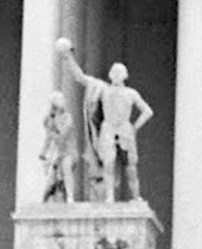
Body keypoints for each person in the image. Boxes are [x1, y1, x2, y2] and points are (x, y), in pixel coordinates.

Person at [55, 38, 153, 202]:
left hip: (125, 130)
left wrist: (135, 127)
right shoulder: (103, 89)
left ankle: (136, 197)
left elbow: (147, 111)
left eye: (119, 73)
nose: (115, 75)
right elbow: (80, 77)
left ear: (124, 76)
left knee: (130, 167)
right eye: (113, 73)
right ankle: (109, 196)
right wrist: (68, 58)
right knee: (108, 163)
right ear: (110, 75)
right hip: (108, 129)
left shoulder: (131, 93)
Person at [39, 91, 78, 203]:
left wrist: (54, 124)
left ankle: (70, 197)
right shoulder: (50, 118)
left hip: (68, 151)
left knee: (66, 168)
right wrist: (43, 152)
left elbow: (62, 134)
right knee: (50, 181)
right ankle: (44, 200)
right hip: (57, 153)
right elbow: (48, 138)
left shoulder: (67, 117)